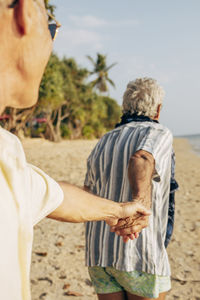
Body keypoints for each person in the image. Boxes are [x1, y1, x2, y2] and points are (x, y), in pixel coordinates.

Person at [0, 1, 150, 300]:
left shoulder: (8, 154)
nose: (52, 42)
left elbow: (55, 196)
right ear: (26, 15)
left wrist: (118, 211)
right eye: (51, 26)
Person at [84, 78, 173, 300]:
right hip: (139, 252)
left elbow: (88, 191)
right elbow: (142, 157)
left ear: (125, 106)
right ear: (158, 110)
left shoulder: (104, 140)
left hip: (99, 252)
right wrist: (138, 204)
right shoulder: (158, 133)